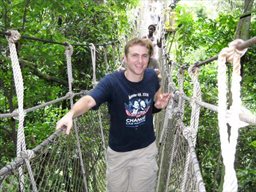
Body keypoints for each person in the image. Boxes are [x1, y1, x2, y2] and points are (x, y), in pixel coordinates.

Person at [56, 37, 171, 192]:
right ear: (125, 58)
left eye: (144, 56)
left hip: (145, 151)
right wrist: (71, 114)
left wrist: (158, 105)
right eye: (134, 55)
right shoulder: (112, 82)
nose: (140, 61)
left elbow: (154, 99)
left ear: (149, 58)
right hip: (118, 154)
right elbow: (89, 100)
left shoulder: (151, 77)